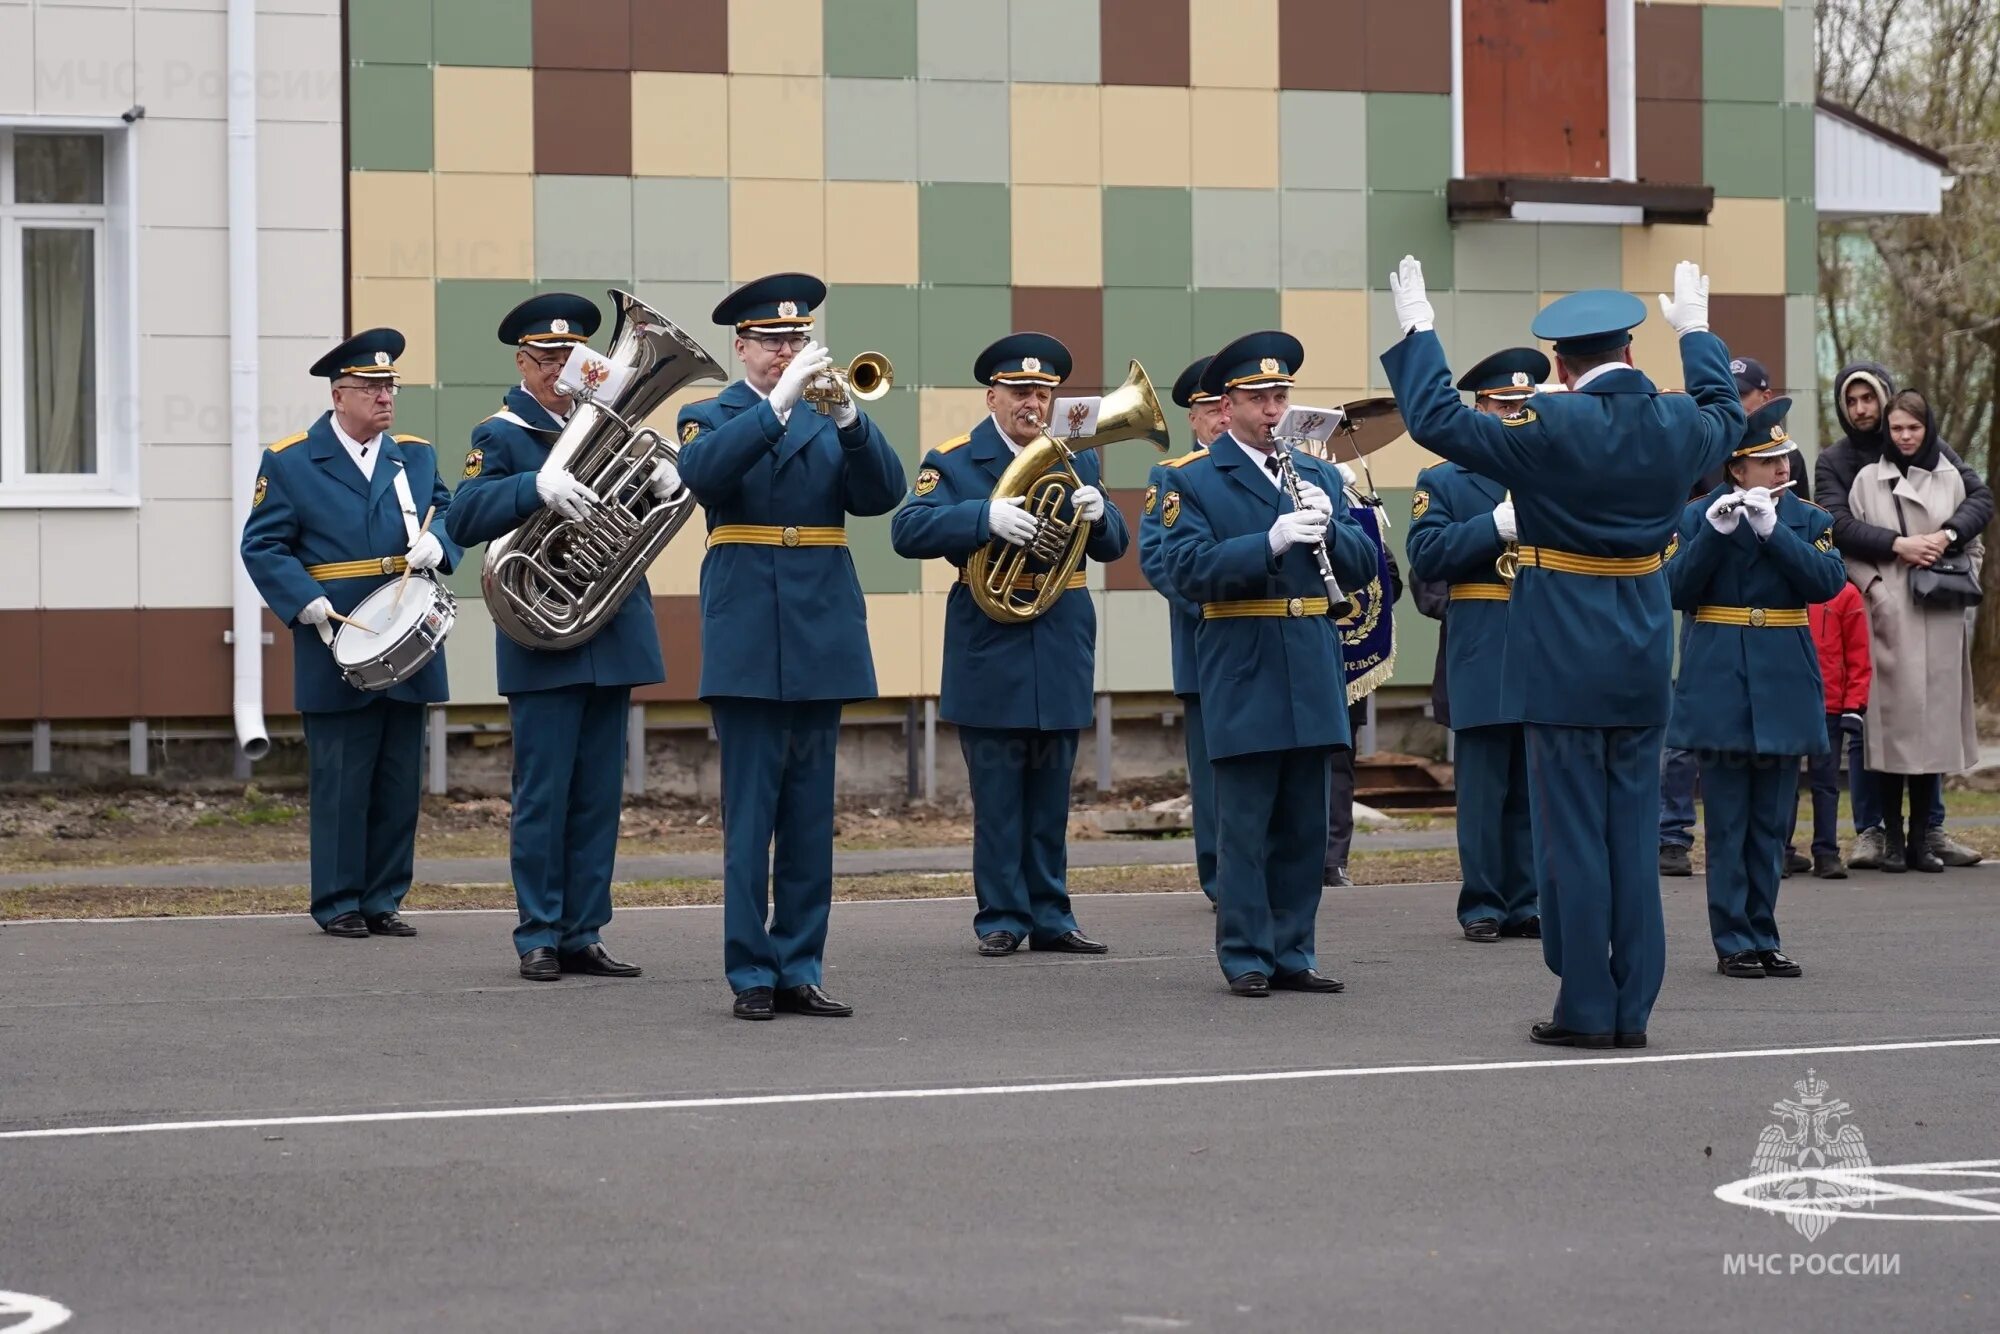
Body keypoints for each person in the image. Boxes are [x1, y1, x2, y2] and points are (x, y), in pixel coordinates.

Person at [1381, 257, 1746, 1048]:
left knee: (1573, 839)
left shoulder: (1545, 426)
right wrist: (1697, 332)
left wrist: (1419, 331)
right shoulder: (1679, 422)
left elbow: (1439, 422)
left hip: (1562, 647)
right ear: (1632, 355)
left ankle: (1587, 1006)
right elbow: (1728, 412)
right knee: (1632, 834)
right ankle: (1634, 1010)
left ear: (1558, 365)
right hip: (1644, 644)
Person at [677, 274, 905, 1019]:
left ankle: (800, 965)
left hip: (821, 630)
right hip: (746, 631)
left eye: (796, 340)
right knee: (750, 821)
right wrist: (776, 406)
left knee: (809, 821)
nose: (787, 351)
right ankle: (750, 973)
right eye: (773, 342)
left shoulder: (830, 413)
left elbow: (883, 496)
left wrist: (848, 423)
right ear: (741, 346)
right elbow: (704, 478)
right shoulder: (706, 413)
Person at [444, 294, 670, 982]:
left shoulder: (610, 426)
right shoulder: (501, 433)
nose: (558, 372)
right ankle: (538, 931)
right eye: (545, 360)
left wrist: (660, 483)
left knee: (599, 794)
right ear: (523, 362)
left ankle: (584, 930)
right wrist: (533, 487)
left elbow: (627, 519)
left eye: (571, 359)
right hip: (543, 630)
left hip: (609, 625)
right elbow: (465, 514)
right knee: (544, 794)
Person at [1156, 331, 1380, 998]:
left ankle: (1295, 951)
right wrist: (1269, 540)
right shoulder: (1190, 479)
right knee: (1246, 822)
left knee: (1304, 823)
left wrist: (1334, 528)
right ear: (1230, 404)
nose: (1274, 409)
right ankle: (1248, 955)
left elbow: (1367, 570)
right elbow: (1179, 568)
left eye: (1281, 395)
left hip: (1310, 656)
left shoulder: (1314, 473)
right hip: (1243, 655)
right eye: (1259, 398)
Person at [891, 333, 1126, 957]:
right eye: (1020, 392)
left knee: (1052, 795)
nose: (1033, 404)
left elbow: (1115, 546)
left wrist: (1101, 512)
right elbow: (907, 529)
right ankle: (1000, 915)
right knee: (997, 796)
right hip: (989, 637)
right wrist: (981, 518)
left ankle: (1052, 914)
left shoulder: (1077, 455)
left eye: (1043, 393)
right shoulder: (955, 459)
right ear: (992, 395)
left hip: (1058, 636)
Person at [240, 329, 458, 940]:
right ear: (339, 396)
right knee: (341, 778)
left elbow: (450, 512)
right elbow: (261, 544)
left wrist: (443, 544)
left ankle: (384, 897)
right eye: (371, 388)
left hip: (404, 627)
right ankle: (338, 900)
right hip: (334, 631)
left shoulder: (413, 454)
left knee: (397, 778)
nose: (385, 397)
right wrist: (301, 598)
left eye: (390, 386)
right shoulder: (289, 460)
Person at [1664, 398, 1845, 979]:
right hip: (1720, 676)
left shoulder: (1809, 519)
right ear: (1736, 470)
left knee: (1772, 822)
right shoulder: (1697, 517)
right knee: (1728, 820)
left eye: (1782, 456)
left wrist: (1774, 533)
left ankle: (1765, 932)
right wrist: (1718, 536)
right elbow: (1675, 589)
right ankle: (1733, 939)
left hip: (1783, 677)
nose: (1781, 466)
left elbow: (1826, 583)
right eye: (1766, 460)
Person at [1815, 363, 1990, 868]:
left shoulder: (1940, 459)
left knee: (1929, 715)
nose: (1861, 410)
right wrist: (1895, 554)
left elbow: (1978, 499)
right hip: (1880, 605)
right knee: (1873, 721)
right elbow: (1838, 526)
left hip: (1935, 604)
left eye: (1870, 399)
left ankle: (1928, 829)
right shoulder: (1839, 463)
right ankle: (1874, 830)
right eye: (1852, 401)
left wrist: (1947, 538)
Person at [1405, 347, 1547, 943]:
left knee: (1534, 784)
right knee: (1486, 784)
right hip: (1481, 633)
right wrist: (1492, 528)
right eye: (1504, 405)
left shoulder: (1550, 466)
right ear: (1479, 408)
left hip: (1543, 633)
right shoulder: (1444, 477)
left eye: (1525, 405)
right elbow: (1427, 555)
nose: (1515, 415)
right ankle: (1483, 901)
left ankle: (1528, 899)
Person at [1661, 353, 1783, 878]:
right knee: (1695, 716)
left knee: (1765, 725)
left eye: (1744, 395)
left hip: (1765, 609)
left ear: (1764, 397)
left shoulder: (1769, 450)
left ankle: (1771, 837)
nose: (1735, 404)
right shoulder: (1704, 439)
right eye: (1726, 394)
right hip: (1709, 591)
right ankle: (1672, 830)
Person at [1138, 355, 1229, 907]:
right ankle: (1223, 881)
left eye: (1228, 405)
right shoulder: (1175, 475)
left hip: (1276, 647)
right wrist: (1220, 608)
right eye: (1209, 408)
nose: (1221, 417)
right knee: (1217, 776)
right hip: (1208, 644)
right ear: (1192, 419)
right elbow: (1159, 559)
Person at [1324, 464, 1402, 889]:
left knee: (1339, 764)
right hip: (1303, 649)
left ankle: (1334, 859)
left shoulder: (1359, 519)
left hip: (1350, 655)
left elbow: (1390, 582)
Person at [1803, 580, 1871, 878]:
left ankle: (1826, 852)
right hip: (1789, 703)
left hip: (1830, 704)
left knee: (1826, 782)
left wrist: (1854, 705)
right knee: (1782, 784)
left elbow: (1858, 653)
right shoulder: (1787, 584)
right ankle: (1780, 850)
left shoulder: (1846, 593)